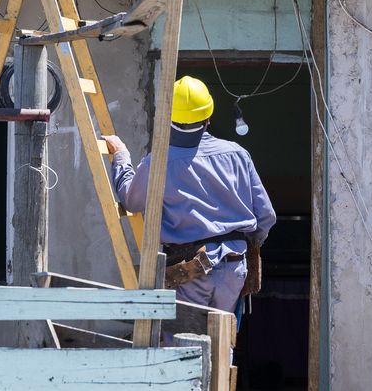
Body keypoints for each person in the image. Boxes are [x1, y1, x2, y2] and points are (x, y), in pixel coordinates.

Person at [103, 76, 276, 316]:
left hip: (190, 270)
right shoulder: (237, 154)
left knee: (183, 345)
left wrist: (121, 157)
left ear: (168, 117)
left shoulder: (160, 162)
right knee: (222, 343)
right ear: (208, 116)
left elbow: (132, 201)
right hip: (234, 266)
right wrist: (245, 243)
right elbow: (266, 215)